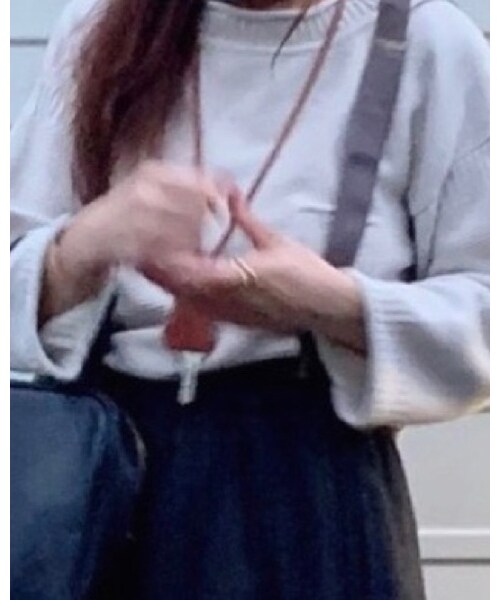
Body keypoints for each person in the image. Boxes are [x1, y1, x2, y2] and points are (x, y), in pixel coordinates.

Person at [10, 0, 489, 598]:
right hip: (109, 499)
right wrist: (78, 249)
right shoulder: (100, 29)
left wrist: (336, 305)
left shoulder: (425, 42)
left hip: (316, 509)